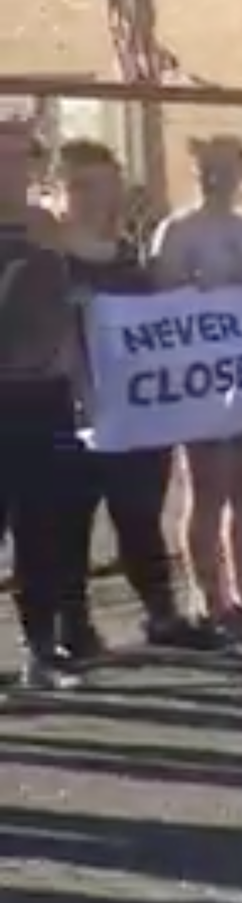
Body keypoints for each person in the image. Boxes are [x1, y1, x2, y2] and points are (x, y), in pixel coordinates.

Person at [49, 139, 229, 658]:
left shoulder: (131, 256)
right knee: (67, 522)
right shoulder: (47, 257)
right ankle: (72, 627)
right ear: (57, 190)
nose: (93, 199)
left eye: (103, 186)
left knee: (140, 514)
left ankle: (162, 613)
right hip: (67, 412)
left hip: (136, 412)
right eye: (79, 186)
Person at [149, 135, 242, 636]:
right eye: (207, 168)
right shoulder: (177, 230)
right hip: (202, 378)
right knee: (208, 488)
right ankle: (209, 599)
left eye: (226, 167)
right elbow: (163, 300)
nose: (216, 177)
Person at [0, 113, 88, 687]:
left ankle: (40, 649)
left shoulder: (46, 227)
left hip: (45, 394)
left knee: (43, 524)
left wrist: (79, 383)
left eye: (21, 158)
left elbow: (70, 310)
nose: (11, 169)